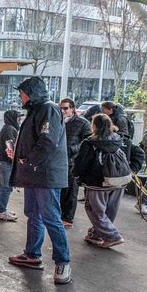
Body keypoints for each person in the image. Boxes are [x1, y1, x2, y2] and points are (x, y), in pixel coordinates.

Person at [6, 77, 72, 285]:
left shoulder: (48, 109)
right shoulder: (38, 110)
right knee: (34, 214)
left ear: (32, 93)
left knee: (51, 217)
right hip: (34, 174)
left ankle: (63, 262)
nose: (20, 96)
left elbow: (48, 140)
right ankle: (32, 254)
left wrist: (29, 160)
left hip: (45, 175)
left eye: (23, 92)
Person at [73, 113, 132, 248]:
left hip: (98, 181)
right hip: (119, 179)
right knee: (110, 210)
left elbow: (81, 162)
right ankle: (97, 234)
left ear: (94, 126)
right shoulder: (118, 139)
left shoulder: (89, 142)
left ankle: (112, 236)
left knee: (95, 211)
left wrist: (76, 175)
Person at [59, 98, 90, 228]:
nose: (63, 111)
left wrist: (73, 149)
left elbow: (88, 141)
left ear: (72, 109)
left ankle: (68, 218)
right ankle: (59, 215)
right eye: (61, 108)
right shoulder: (58, 121)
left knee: (71, 191)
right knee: (59, 190)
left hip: (72, 162)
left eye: (65, 108)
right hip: (58, 161)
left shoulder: (82, 123)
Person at [0, 109, 21, 222]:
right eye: (18, 117)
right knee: (6, 187)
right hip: (4, 163)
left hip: (1, 162)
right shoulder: (9, 129)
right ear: (12, 118)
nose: (20, 120)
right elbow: (10, 149)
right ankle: (1, 211)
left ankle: (0, 209)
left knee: (3, 186)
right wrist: (16, 162)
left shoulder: (8, 128)